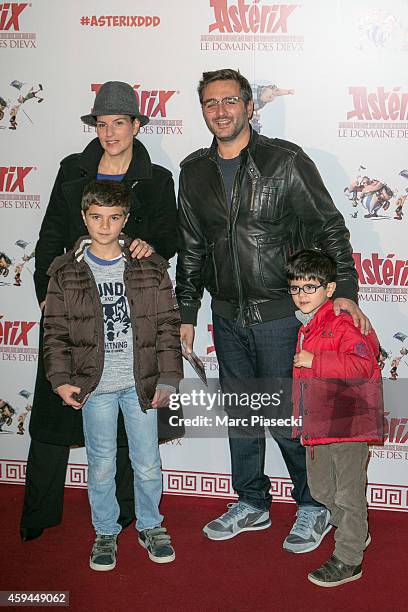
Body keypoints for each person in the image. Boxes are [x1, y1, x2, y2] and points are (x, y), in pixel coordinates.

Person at [176, 68, 369, 552]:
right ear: (203, 110)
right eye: (211, 103)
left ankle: (313, 505)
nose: (220, 111)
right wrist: (185, 312)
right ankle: (252, 502)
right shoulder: (193, 170)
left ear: (248, 106)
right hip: (227, 314)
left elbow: (329, 227)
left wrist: (344, 288)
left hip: (282, 315)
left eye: (230, 101)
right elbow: (193, 247)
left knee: (288, 417)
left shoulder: (285, 161)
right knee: (242, 417)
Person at [20, 81, 179, 542]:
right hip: (71, 308)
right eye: (102, 123)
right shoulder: (73, 169)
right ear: (95, 126)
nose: (110, 132)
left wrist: (153, 246)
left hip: (130, 316)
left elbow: (169, 238)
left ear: (136, 125)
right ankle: (38, 513)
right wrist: (44, 295)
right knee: (53, 414)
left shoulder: (158, 179)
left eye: (119, 123)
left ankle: (129, 515)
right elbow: (50, 234)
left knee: (131, 421)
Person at [43, 180, 182, 570]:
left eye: (114, 218)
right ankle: (105, 531)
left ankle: (151, 525)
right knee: (101, 464)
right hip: (95, 387)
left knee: (148, 462)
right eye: (97, 217)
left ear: (125, 220)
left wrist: (168, 378)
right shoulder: (65, 271)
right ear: (84, 218)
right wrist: (59, 379)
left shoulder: (149, 266)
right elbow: (54, 330)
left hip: (141, 384)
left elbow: (169, 326)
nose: (105, 226)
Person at [287, 249, 383, 586]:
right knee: (322, 490)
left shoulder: (343, 321)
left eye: (310, 287)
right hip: (318, 426)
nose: (301, 295)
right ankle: (356, 532)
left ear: (330, 289)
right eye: (296, 288)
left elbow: (364, 367)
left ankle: (348, 558)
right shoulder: (308, 325)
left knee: (347, 494)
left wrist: (316, 361)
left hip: (348, 424)